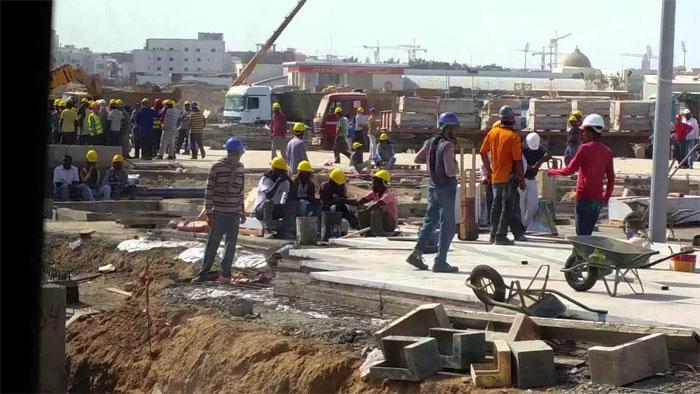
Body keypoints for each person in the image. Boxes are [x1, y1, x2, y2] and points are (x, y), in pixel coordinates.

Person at [405, 112, 461, 273]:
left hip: (433, 187)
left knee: (429, 221)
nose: (456, 132)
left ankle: (416, 253)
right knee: (447, 225)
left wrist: (431, 160)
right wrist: (455, 166)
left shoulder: (431, 142)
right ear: (449, 129)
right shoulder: (448, 146)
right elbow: (450, 172)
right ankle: (440, 261)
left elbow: (417, 159)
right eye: (455, 129)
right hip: (446, 189)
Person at [547, 114, 614, 236]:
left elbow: (569, 170)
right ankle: (580, 255)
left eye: (584, 131)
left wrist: (552, 172)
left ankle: (579, 255)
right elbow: (611, 178)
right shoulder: (607, 151)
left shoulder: (584, 149)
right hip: (598, 199)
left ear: (590, 130)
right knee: (588, 233)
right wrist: (606, 197)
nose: (582, 134)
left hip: (584, 197)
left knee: (581, 235)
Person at [191, 137, 247, 284]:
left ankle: (226, 273)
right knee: (212, 244)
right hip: (219, 213)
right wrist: (209, 213)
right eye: (236, 153)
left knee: (230, 245)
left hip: (234, 213)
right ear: (231, 153)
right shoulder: (216, 168)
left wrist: (242, 210)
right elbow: (209, 192)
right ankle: (204, 273)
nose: (237, 156)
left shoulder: (241, 168)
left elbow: (241, 191)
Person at [480, 105, 526, 245]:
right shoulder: (513, 137)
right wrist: (522, 178)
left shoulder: (493, 133)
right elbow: (517, 160)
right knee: (506, 206)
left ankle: (493, 234)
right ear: (512, 120)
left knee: (495, 206)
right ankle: (501, 236)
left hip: (495, 178)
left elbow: (482, 152)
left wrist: (489, 170)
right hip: (507, 177)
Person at [253, 156, 296, 239]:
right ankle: (267, 230)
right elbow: (268, 195)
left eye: (284, 172)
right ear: (274, 170)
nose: (283, 174)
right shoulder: (266, 179)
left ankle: (286, 231)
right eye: (281, 172)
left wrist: (290, 181)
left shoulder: (284, 182)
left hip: (274, 210)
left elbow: (291, 196)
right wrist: (278, 182)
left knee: (291, 205)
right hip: (261, 211)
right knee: (268, 202)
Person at [350, 170, 398, 236]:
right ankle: (366, 233)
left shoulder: (388, 195)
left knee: (375, 210)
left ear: (383, 183)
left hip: (390, 226)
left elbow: (377, 205)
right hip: (381, 222)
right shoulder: (374, 194)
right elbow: (358, 202)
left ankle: (377, 233)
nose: (373, 184)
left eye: (375, 182)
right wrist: (342, 200)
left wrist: (366, 211)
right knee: (361, 213)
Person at [519, 132, 551, 229]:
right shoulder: (521, 150)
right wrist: (529, 167)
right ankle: (520, 226)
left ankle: (525, 225)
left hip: (532, 180)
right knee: (520, 205)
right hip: (521, 180)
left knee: (533, 205)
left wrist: (539, 162)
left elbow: (548, 154)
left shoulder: (539, 149)